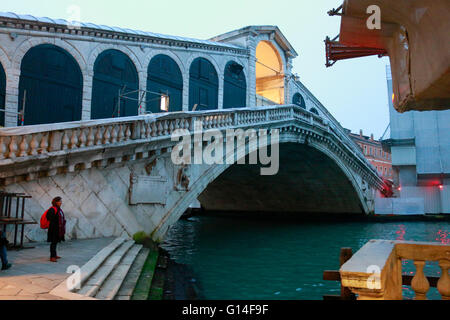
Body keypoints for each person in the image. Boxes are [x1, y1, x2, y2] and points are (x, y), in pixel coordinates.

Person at [47, 197, 66, 262]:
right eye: (59, 201)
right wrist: (55, 223)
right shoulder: (52, 209)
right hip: (54, 229)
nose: (61, 202)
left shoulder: (59, 209)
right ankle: (52, 257)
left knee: (56, 242)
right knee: (53, 242)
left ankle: (54, 255)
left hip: (58, 229)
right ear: (55, 202)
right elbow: (49, 217)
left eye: (61, 201)